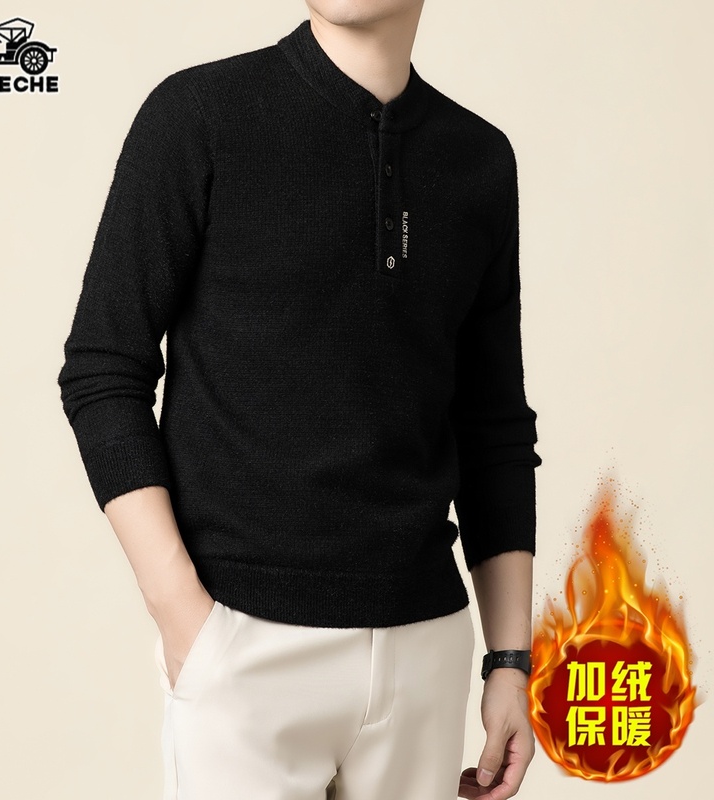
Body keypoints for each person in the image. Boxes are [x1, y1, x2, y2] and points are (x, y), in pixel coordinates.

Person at [57, 1, 542, 798]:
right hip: (242, 641)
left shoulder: (478, 160)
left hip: (424, 650)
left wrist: (510, 662)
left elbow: (493, 425)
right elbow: (102, 370)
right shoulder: (200, 116)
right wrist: (185, 619)